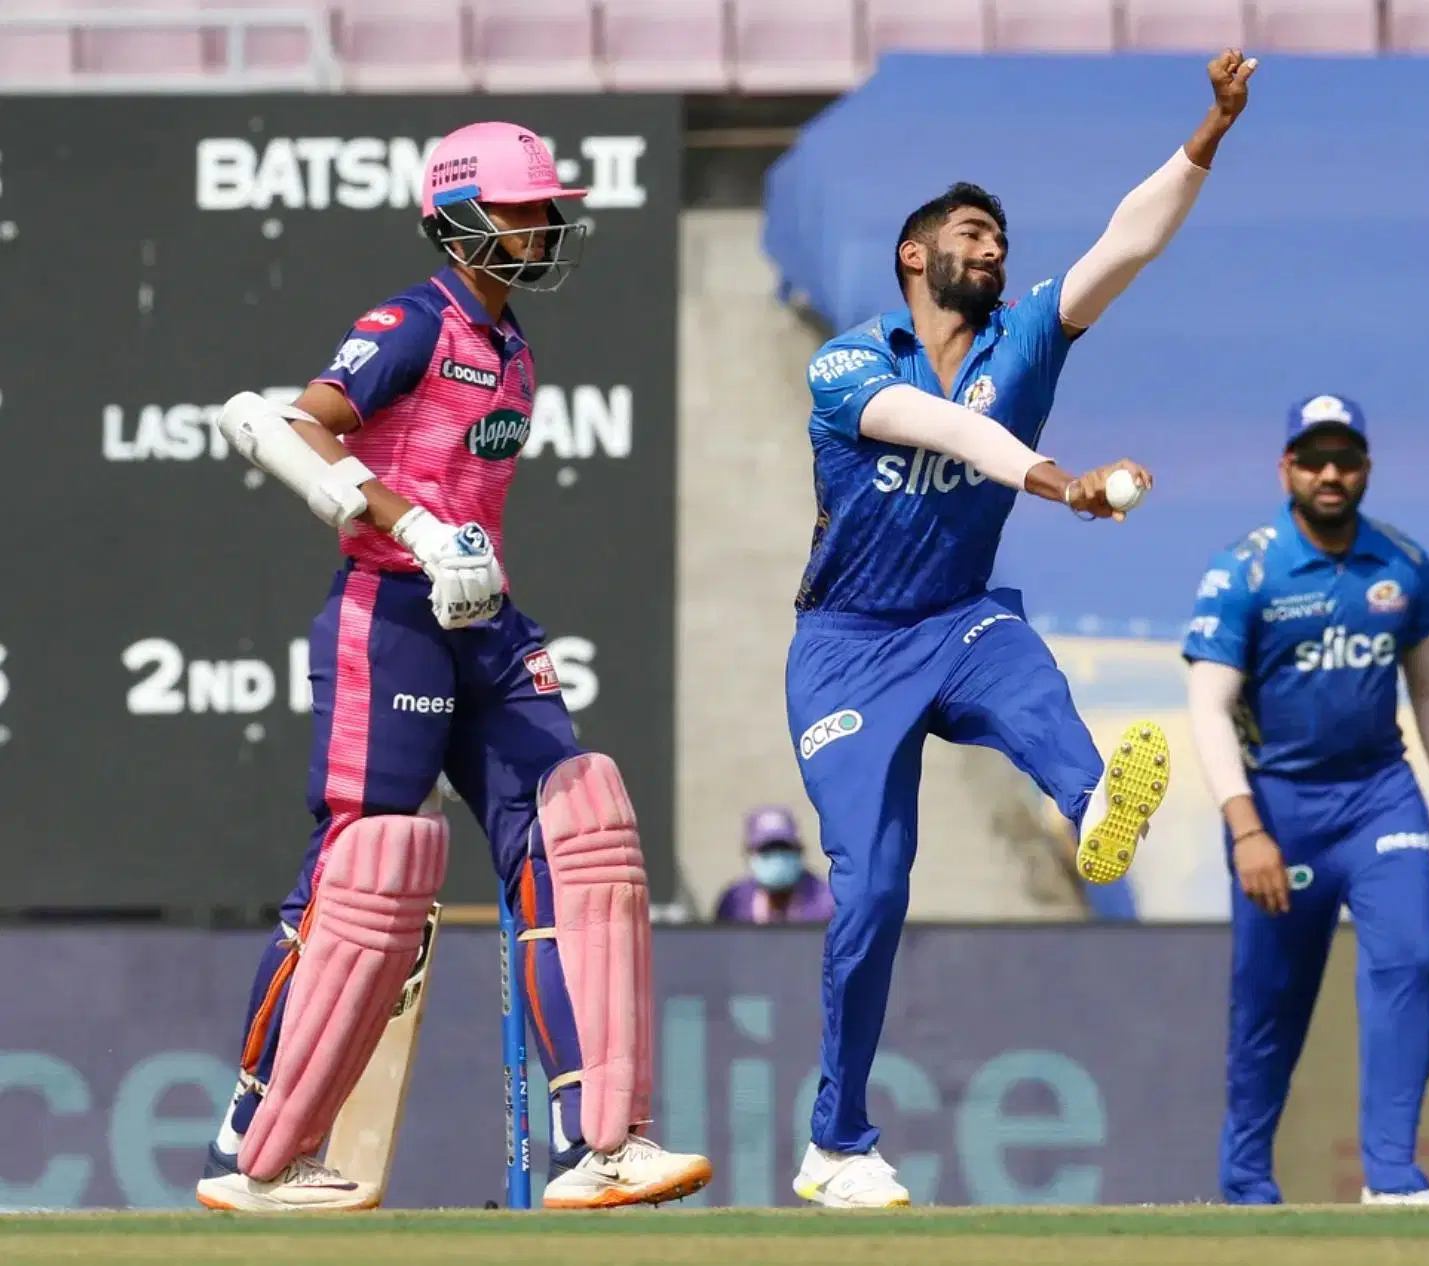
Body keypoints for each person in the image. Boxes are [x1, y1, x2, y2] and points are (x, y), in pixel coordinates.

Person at [196, 121, 711, 1213]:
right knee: (360, 872)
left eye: (543, 207)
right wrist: (419, 532)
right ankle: (254, 1137)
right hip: (390, 613)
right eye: (523, 208)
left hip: (485, 624)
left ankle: (602, 1141)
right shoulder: (410, 323)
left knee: (578, 836)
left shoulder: (516, 345)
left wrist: (463, 559)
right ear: (460, 218)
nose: (543, 225)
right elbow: (297, 425)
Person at [785, 50, 1258, 1209]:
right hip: (845, 645)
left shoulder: (1029, 339)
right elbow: (947, 435)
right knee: (873, 888)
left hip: (952, 620)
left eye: (999, 236)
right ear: (915, 255)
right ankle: (835, 1144)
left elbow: (1126, 242)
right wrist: (1067, 485)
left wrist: (1207, 134)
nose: (991, 248)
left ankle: (1092, 800)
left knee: (1019, 665)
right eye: (969, 233)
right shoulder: (849, 360)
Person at [1182, 393, 1429, 1206]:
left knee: (1410, 958)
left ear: (1366, 468)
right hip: (1280, 808)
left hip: (1381, 797)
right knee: (1271, 1002)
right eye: (1313, 459)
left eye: (1345, 458)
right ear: (1286, 468)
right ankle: (1246, 1181)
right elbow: (1208, 707)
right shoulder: (1245, 570)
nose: (1330, 474)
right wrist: (1247, 831)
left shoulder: (1403, 565)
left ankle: (1391, 1174)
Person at [713, 806, 836, 924]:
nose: (777, 857)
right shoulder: (735, 902)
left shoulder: (826, 901)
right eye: (767, 850)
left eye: (784, 848)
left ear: (799, 850)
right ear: (749, 854)